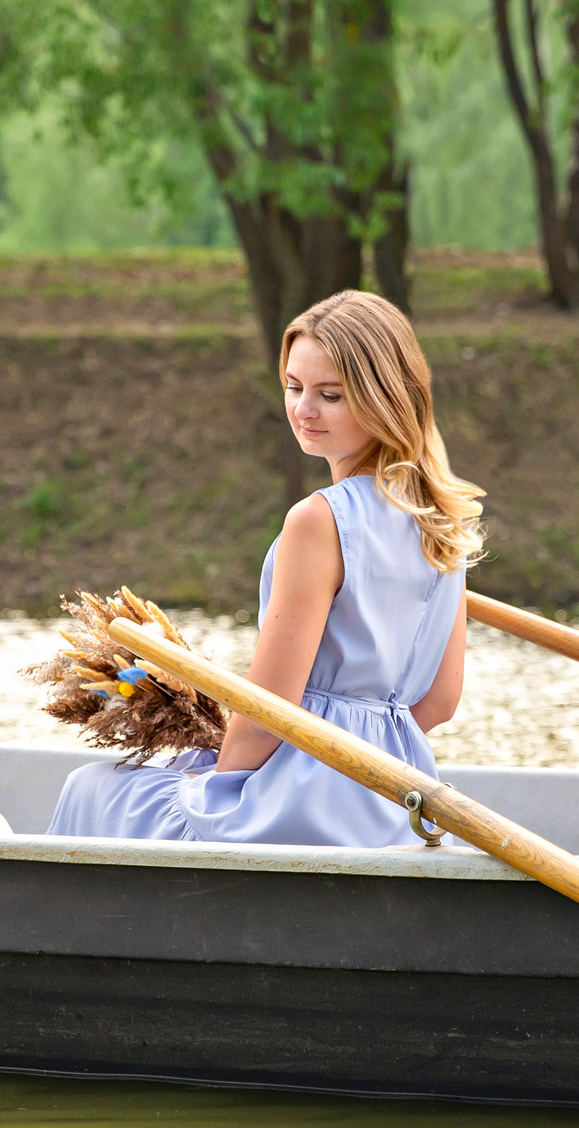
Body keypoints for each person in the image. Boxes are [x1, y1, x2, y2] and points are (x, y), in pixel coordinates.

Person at [45, 293, 485, 848]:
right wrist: (363, 752)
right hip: (396, 796)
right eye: (294, 387)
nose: (303, 409)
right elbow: (439, 703)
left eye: (330, 395)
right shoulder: (441, 522)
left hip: (300, 802)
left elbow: (265, 716)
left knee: (92, 788)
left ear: (386, 400)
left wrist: (219, 787)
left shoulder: (319, 521)